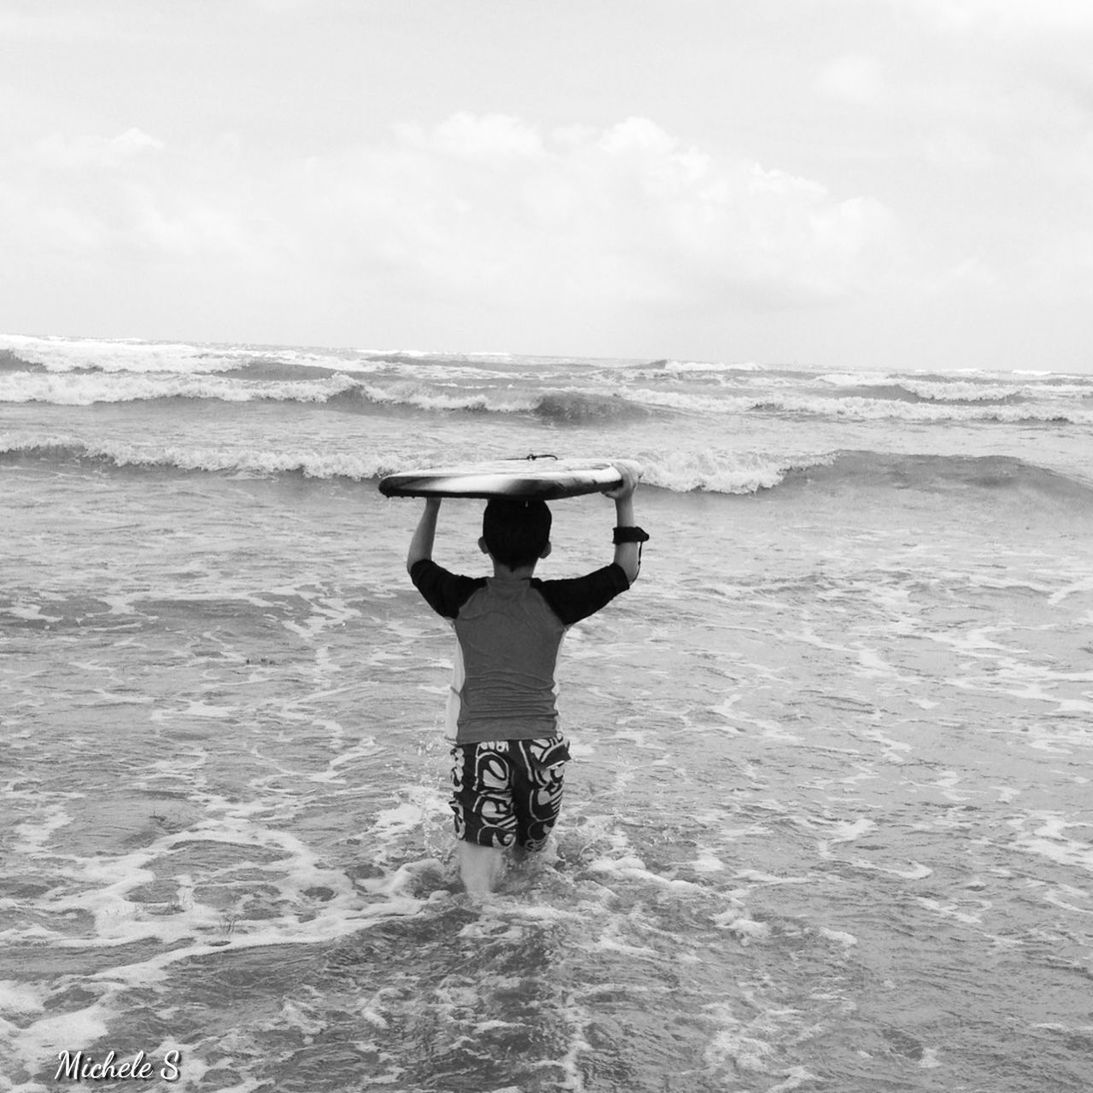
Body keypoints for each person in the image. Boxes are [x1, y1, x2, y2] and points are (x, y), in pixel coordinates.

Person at [405, 467, 648, 894]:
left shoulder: (462, 598)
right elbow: (624, 571)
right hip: (542, 752)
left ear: (483, 546)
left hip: (481, 748)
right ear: (548, 549)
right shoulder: (555, 602)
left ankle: (484, 933)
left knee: (479, 891)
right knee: (528, 864)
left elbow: (418, 564)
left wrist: (433, 503)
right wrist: (623, 500)